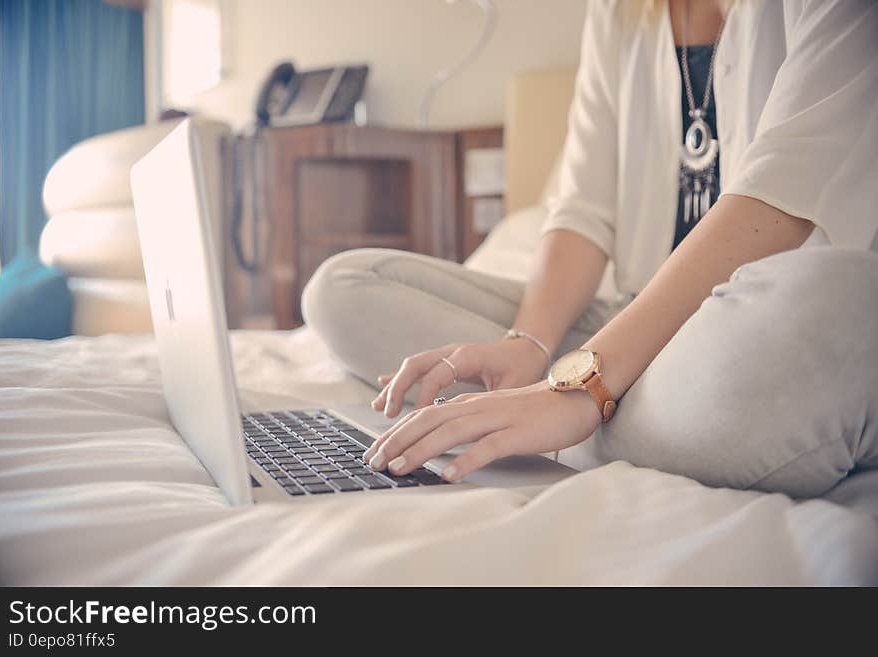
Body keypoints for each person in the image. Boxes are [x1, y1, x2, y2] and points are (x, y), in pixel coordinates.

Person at [303, 0, 878, 498]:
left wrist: (582, 389)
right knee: (345, 287)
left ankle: (563, 415)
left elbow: (779, 196)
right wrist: (530, 343)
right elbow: (583, 207)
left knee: (839, 299)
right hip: (634, 322)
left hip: (760, 327)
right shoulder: (620, 10)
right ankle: (568, 412)